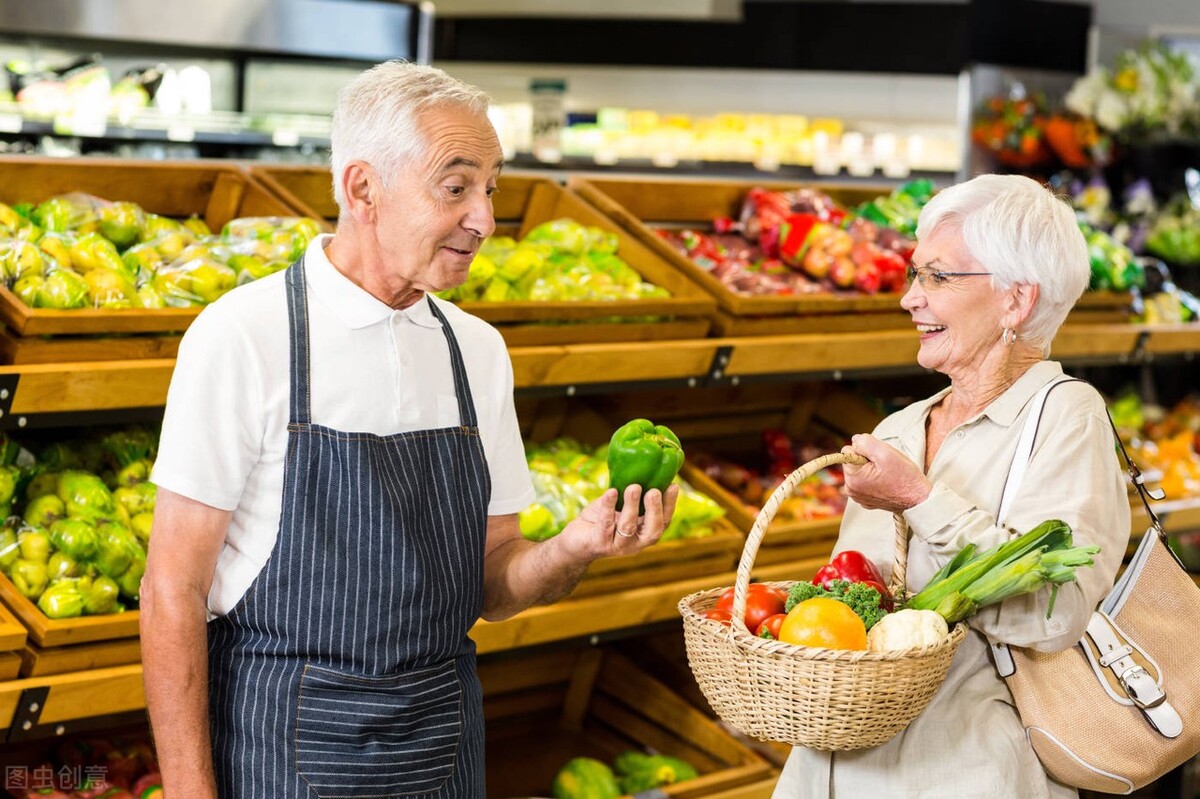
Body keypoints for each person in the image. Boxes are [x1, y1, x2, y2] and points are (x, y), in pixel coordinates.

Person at [140, 61, 678, 799]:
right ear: (363, 189)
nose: (485, 219)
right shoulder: (246, 335)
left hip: (441, 746)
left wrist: (574, 547)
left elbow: (495, 580)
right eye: (456, 187)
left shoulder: (476, 352)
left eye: (492, 188)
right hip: (282, 748)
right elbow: (173, 588)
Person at [772, 174, 1130, 799]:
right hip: (824, 774)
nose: (910, 298)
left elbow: (1059, 612)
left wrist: (920, 499)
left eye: (937, 277)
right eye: (915, 275)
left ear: (1016, 300)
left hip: (960, 776)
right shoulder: (900, 429)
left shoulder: (1066, 417)